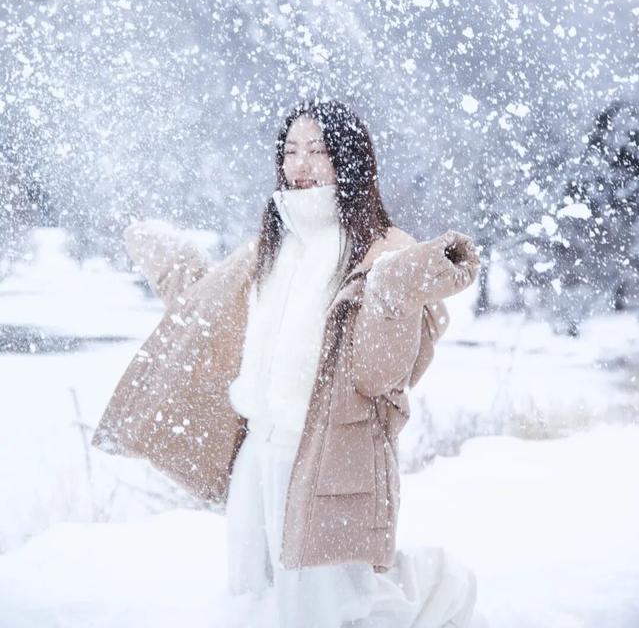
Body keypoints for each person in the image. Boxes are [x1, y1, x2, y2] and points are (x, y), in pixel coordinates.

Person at [92, 99, 483, 628]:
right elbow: (214, 319)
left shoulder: (382, 251)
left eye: (318, 151)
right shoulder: (270, 248)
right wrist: (174, 264)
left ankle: (442, 589)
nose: (300, 165)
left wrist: (395, 292)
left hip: (330, 451)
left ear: (349, 160)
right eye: (291, 151)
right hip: (261, 447)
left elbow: (383, 374)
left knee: (336, 606)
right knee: (256, 595)